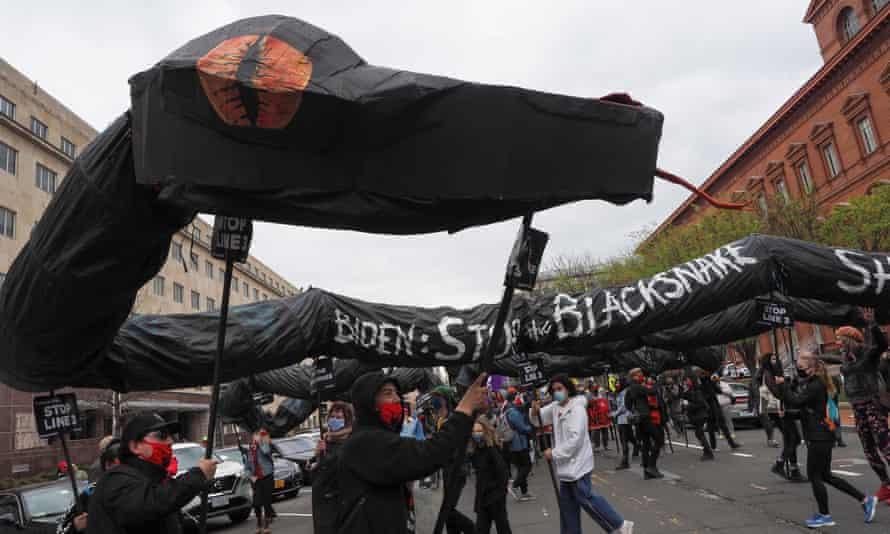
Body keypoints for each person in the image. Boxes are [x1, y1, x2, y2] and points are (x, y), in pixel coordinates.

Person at [337, 371, 489, 534]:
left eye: (397, 393)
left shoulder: (371, 437)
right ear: (369, 401)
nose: (396, 399)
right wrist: (464, 409)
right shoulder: (366, 440)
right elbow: (428, 453)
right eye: (387, 393)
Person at [776, 351, 878, 528]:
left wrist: (783, 385)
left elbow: (796, 401)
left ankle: (825, 516)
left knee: (814, 476)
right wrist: (788, 415)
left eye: (800, 367)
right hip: (820, 434)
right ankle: (865, 499)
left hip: (819, 437)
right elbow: (807, 411)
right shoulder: (813, 383)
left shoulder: (815, 385)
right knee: (825, 476)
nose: (798, 370)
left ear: (811, 368)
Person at [532, 374, 633, 534]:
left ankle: (619, 524)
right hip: (565, 468)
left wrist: (555, 453)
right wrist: (534, 411)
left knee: (586, 498)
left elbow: (576, 439)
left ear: (568, 389)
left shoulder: (577, 409)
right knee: (567, 508)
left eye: (560, 388)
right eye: (554, 390)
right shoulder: (555, 407)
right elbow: (538, 420)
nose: (557, 392)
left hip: (578, 464)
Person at [86, 412, 215, 534]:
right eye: (161, 436)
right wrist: (198, 475)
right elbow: (152, 504)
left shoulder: (153, 479)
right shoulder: (116, 480)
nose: (170, 441)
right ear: (135, 446)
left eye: (170, 436)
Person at [837, 321, 890, 502]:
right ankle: (886, 484)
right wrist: (815, 356)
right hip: (857, 406)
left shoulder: (867, 354)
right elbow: (832, 359)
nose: (838, 343)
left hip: (872, 404)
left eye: (840, 339)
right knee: (868, 450)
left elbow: (882, 344)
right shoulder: (845, 357)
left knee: (885, 446)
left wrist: (872, 325)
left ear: (850, 339)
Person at [58, 438, 123, 534]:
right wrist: (74, 527)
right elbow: (61, 530)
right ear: (107, 465)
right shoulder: (89, 494)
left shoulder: (143, 492)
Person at [311, 402, 355, 534]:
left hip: (342, 501)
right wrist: (317, 457)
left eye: (339, 417)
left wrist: (327, 458)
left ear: (347, 421)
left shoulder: (352, 442)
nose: (334, 420)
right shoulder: (325, 440)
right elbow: (317, 474)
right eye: (332, 416)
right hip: (322, 502)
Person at [468, 418, 512, 534]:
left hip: (495, 497)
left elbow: (503, 472)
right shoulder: (474, 450)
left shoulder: (492, 449)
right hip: (482, 497)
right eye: (473, 431)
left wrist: (500, 494)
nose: (476, 434)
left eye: (479, 431)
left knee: (502, 527)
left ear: (485, 431)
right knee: (481, 529)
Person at [624, 368, 664, 479]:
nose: (642, 375)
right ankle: (651, 466)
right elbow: (652, 391)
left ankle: (647, 472)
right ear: (634, 376)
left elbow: (627, 405)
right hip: (645, 418)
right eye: (640, 374)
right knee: (659, 440)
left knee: (646, 444)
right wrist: (658, 382)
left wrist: (637, 410)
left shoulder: (630, 388)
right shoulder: (637, 386)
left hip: (639, 419)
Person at [505, 391, 535, 502]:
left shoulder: (507, 409)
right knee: (527, 466)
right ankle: (514, 485)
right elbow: (522, 427)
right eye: (518, 397)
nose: (520, 399)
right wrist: (530, 428)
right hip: (518, 444)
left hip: (514, 444)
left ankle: (524, 492)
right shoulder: (513, 412)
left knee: (521, 467)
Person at [700, 371, 741, 450]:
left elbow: (718, 390)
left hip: (712, 406)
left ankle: (716, 445)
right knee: (716, 426)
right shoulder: (704, 383)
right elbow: (716, 391)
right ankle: (729, 444)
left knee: (715, 426)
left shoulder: (707, 382)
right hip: (710, 406)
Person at [245, 428, 276, 534]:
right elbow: (247, 467)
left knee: (267, 502)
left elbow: (266, 451)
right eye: (254, 436)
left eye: (257, 436)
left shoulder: (265, 444)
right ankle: (259, 522)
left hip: (267, 476)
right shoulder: (250, 451)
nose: (255, 438)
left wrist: (260, 442)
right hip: (256, 479)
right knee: (256, 503)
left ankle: (266, 526)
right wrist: (250, 476)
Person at [680, 373, 714, 461]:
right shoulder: (689, 390)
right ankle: (707, 451)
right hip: (695, 415)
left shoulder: (695, 391)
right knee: (699, 434)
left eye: (686, 380)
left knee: (699, 433)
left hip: (699, 415)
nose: (685, 382)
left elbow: (699, 403)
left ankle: (708, 452)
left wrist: (687, 405)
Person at [611, 377, 638, 470]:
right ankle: (638, 446)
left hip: (625, 419)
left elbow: (623, 407)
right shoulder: (618, 393)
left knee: (624, 441)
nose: (616, 384)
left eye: (618, 383)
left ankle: (625, 461)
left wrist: (614, 414)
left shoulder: (625, 392)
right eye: (616, 383)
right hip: (620, 420)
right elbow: (616, 405)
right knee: (630, 438)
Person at [755, 354, 781, 448]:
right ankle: (771, 439)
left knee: (775, 419)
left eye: (775, 359)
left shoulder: (770, 370)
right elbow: (758, 387)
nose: (775, 361)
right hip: (766, 398)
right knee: (769, 420)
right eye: (773, 359)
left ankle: (771, 439)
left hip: (769, 397)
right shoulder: (764, 372)